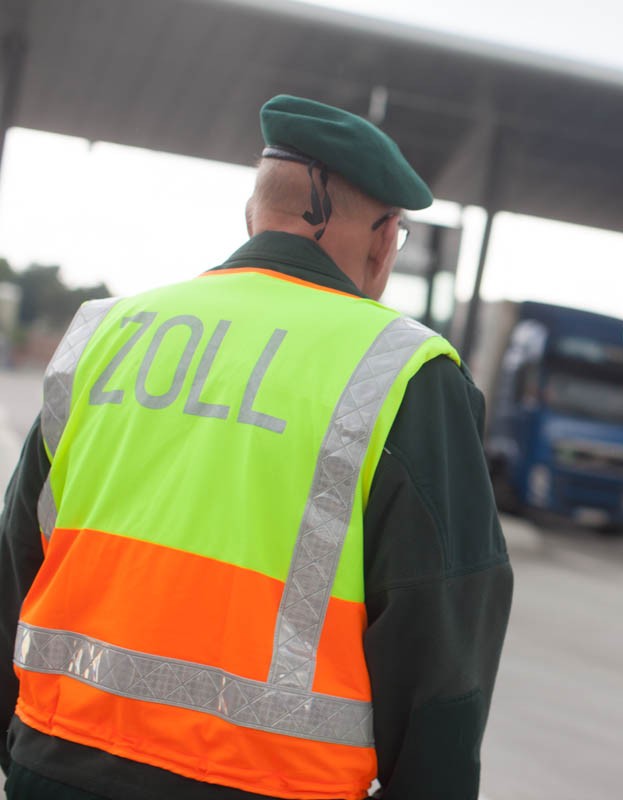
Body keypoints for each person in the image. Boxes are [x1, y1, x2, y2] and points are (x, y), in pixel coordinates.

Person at [0, 95, 512, 799]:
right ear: (384, 238)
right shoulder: (404, 373)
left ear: (253, 214)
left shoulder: (103, 335)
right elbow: (444, 645)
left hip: (53, 766)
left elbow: (17, 556)